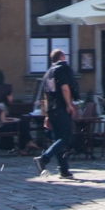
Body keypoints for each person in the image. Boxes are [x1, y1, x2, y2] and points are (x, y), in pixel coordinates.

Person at [36, 49, 78, 180]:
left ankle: (63, 169)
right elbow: (65, 88)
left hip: (51, 109)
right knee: (66, 137)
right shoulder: (62, 68)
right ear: (62, 56)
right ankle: (43, 159)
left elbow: (45, 95)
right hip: (61, 108)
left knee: (59, 139)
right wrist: (69, 105)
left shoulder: (48, 72)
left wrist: (46, 115)